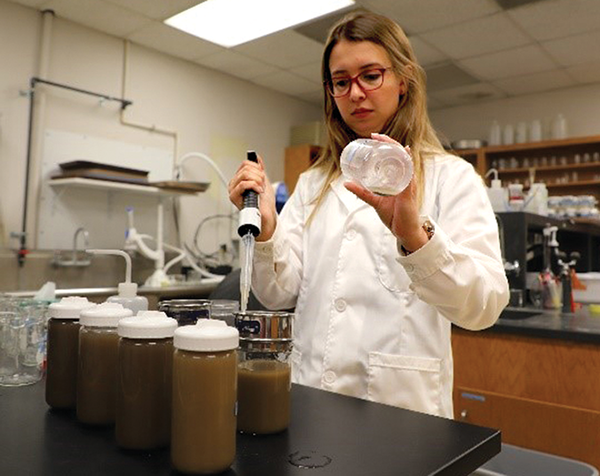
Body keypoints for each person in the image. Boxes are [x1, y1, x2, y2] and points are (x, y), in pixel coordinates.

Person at [228, 10, 509, 418]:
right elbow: (277, 295)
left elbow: (484, 307)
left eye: (371, 76)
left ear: (403, 80)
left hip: (401, 411)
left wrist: (416, 239)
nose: (356, 93)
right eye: (341, 82)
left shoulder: (451, 177)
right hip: (311, 397)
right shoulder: (313, 182)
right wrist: (269, 231)